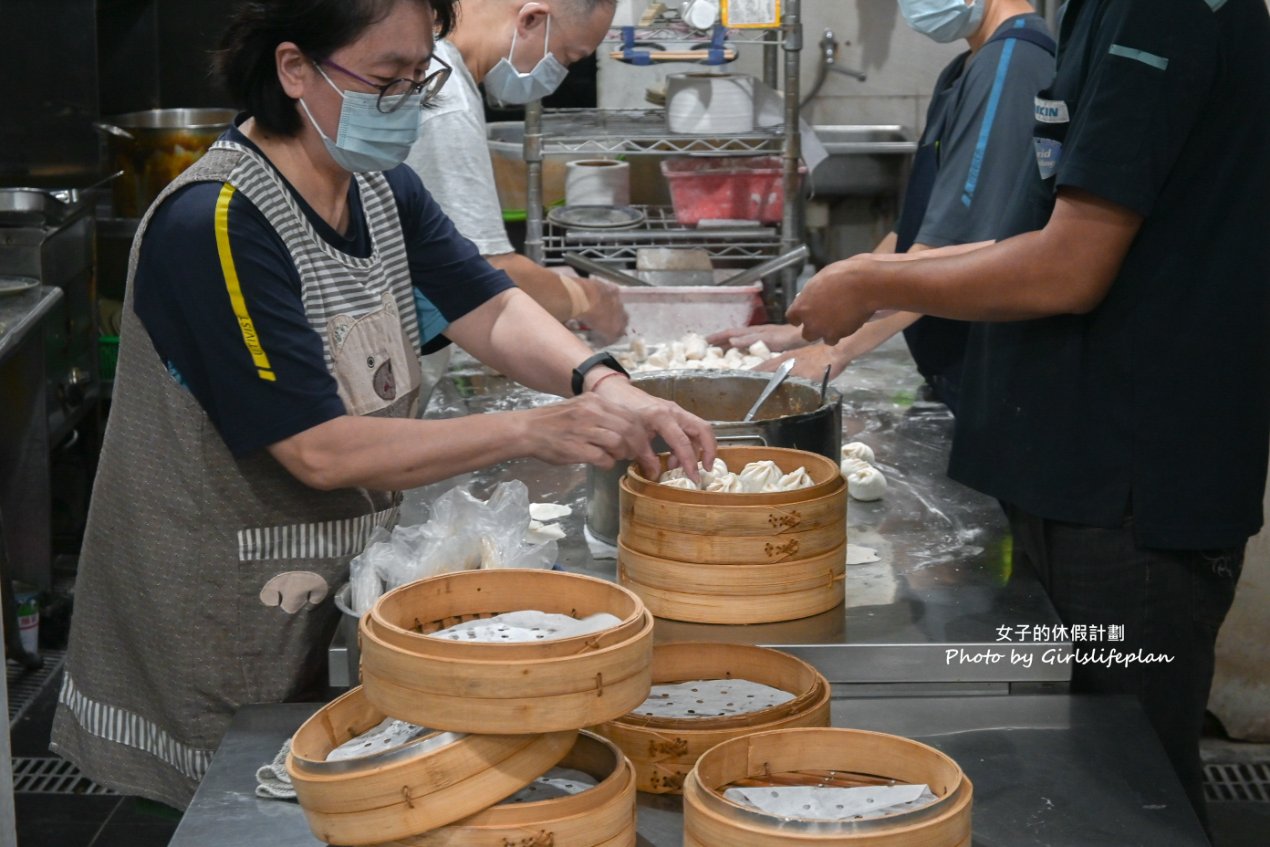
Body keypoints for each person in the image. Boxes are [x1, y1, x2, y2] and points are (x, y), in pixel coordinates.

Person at [50, 0, 713, 809]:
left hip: (327, 594)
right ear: (295, 71)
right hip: (218, 621)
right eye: (387, 79)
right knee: (233, 812)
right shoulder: (218, 222)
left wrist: (605, 382)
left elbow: (489, 305)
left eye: (420, 74)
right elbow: (319, 449)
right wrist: (538, 427)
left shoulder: (378, 189)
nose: (410, 100)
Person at [788, 0, 1270, 827]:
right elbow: (1042, 227)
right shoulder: (1102, 14)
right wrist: (871, 280)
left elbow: (1070, 265)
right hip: (1083, 469)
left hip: (1133, 491)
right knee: (1079, 772)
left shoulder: (1160, 14)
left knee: (1130, 790)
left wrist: (874, 282)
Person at [711, 0, 1055, 415]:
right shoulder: (968, 67)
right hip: (952, 370)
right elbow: (914, 232)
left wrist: (836, 349)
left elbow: (966, 246)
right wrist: (804, 331)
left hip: (990, 372)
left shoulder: (1010, 65)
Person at [405, 0, 628, 344]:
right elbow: (484, 270)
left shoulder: (432, 64)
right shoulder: (446, 99)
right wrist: (589, 299)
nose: (559, 73)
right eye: (567, 56)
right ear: (530, 19)